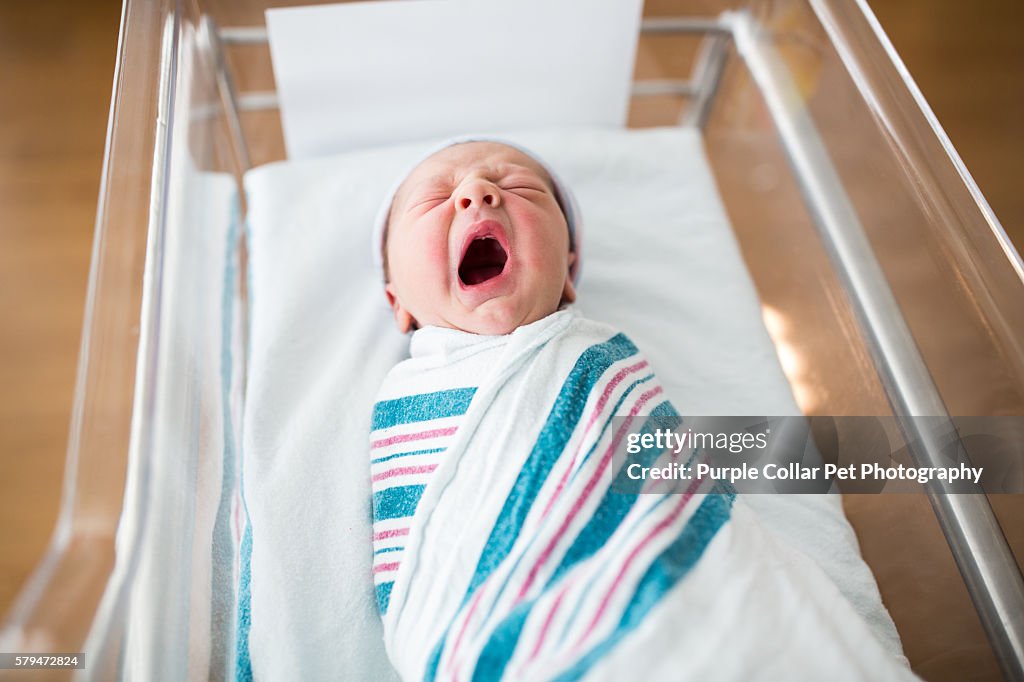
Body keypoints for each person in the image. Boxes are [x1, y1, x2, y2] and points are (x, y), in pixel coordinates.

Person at [367, 139, 917, 681]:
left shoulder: (590, 355)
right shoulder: (407, 392)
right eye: (433, 198)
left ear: (567, 273)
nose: (477, 193)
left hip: (693, 593)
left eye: (520, 187)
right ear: (399, 304)